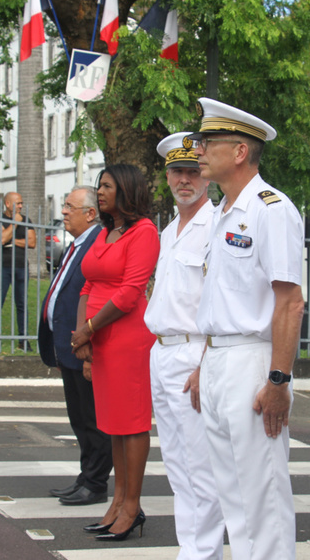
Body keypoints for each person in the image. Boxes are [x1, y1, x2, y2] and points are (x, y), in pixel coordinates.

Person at [189, 98, 304, 560]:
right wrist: (204, 363)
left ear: (239, 151)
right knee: (232, 492)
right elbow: (220, 301)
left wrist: (278, 380)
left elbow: (290, 302)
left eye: (207, 141)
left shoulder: (269, 209)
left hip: (253, 362)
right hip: (219, 359)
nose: (197, 149)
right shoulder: (221, 211)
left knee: (262, 497)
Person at [144, 132, 225, 559]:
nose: (185, 180)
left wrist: (205, 363)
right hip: (162, 352)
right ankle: (190, 550)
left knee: (201, 466)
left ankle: (203, 554)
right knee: (177, 466)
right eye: (177, 171)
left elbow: (219, 302)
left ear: (206, 177)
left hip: (194, 352)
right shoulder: (170, 230)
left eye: (193, 171)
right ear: (168, 176)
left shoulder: (216, 226)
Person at [70, 164, 160, 542]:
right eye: (99, 185)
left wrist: (88, 329)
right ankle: (118, 501)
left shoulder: (144, 232)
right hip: (100, 338)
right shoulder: (106, 233)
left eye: (106, 186)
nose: (100, 192)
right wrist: (83, 337)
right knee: (112, 424)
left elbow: (129, 292)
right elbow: (88, 282)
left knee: (132, 423)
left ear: (125, 190)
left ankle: (132, 505)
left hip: (127, 337)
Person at [38, 186, 112, 505]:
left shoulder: (97, 243)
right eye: (65, 206)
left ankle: (96, 483)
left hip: (84, 346)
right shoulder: (77, 245)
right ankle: (86, 476)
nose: (64, 212)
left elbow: (95, 297)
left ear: (90, 214)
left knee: (92, 419)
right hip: (68, 345)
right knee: (79, 418)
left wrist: (89, 349)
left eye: (70, 207)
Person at [0, 192, 36, 354]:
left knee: (22, 304)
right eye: (18, 203)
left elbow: (32, 242)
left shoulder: (26, 220)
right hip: (2, 267)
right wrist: (14, 224)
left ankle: (23, 340)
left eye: (22, 203)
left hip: (21, 267)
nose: (21, 206)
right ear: (7, 204)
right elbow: (0, 239)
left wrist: (11, 240)